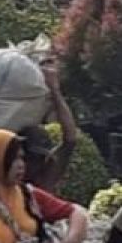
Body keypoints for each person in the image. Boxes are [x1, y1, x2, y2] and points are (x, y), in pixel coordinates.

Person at [19, 55, 78, 192]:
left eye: (40, 158)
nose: (35, 164)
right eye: (31, 158)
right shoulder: (3, 180)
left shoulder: (44, 180)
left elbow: (70, 139)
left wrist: (55, 91)